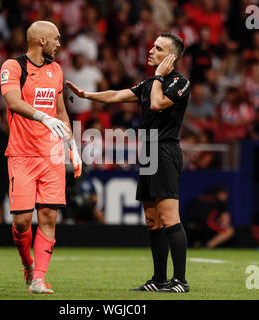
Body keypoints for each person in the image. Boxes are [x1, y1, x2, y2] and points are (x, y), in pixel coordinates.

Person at [67, 33, 191, 293]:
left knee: (169, 217)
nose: (151, 50)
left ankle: (180, 281)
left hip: (165, 150)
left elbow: (157, 104)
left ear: (171, 57)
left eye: (158, 48)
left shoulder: (180, 82)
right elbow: (116, 95)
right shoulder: (149, 83)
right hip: (148, 153)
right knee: (152, 220)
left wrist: (158, 75)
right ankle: (159, 280)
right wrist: (86, 94)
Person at [0, 21, 81, 294]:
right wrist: (41, 116)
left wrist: (72, 145)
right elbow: (12, 101)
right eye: (56, 39)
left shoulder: (56, 70)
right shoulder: (13, 67)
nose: (60, 44)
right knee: (22, 221)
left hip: (51, 155)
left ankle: (39, 279)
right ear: (42, 41)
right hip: (21, 154)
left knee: (48, 216)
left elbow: (60, 112)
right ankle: (28, 266)